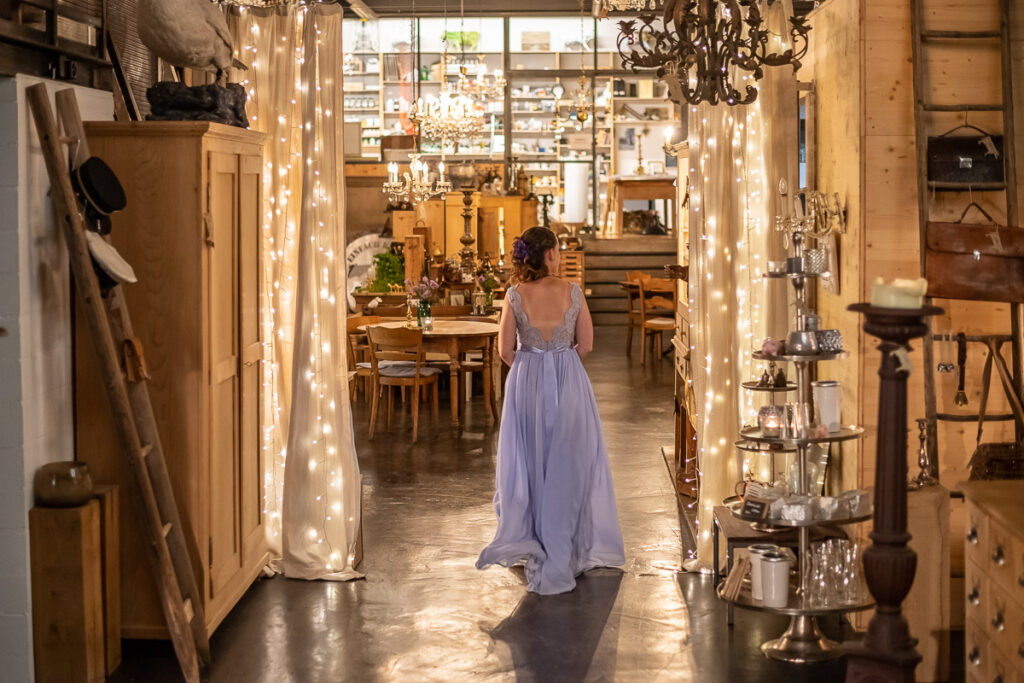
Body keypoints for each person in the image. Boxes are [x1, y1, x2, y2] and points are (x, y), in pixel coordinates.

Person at [476, 226, 625, 595]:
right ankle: (568, 540)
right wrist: (559, 362)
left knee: (528, 459)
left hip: (526, 380)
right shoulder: (573, 291)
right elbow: (586, 344)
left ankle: (531, 536)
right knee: (571, 458)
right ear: (550, 254)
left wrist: (530, 367)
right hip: (567, 377)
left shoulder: (514, 294)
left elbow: (504, 351)